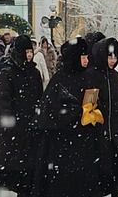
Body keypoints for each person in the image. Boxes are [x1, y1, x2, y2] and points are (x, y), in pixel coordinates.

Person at [33, 37, 104, 197]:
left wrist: (93, 113)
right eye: (83, 56)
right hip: (63, 147)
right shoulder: (59, 80)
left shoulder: (88, 76)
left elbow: (93, 102)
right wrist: (75, 112)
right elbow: (48, 113)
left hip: (85, 144)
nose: (86, 60)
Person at [0, 35, 43, 197]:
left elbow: (39, 99)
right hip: (12, 130)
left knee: (27, 169)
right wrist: (9, 122)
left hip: (30, 127)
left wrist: (38, 118)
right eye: (26, 51)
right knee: (8, 166)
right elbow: (3, 101)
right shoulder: (8, 72)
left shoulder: (34, 73)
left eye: (30, 51)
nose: (29, 54)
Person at [88, 38, 118, 197]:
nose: (113, 61)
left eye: (115, 57)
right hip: (100, 131)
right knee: (102, 166)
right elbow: (89, 104)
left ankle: (117, 192)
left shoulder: (116, 77)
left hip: (117, 130)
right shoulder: (93, 76)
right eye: (110, 57)